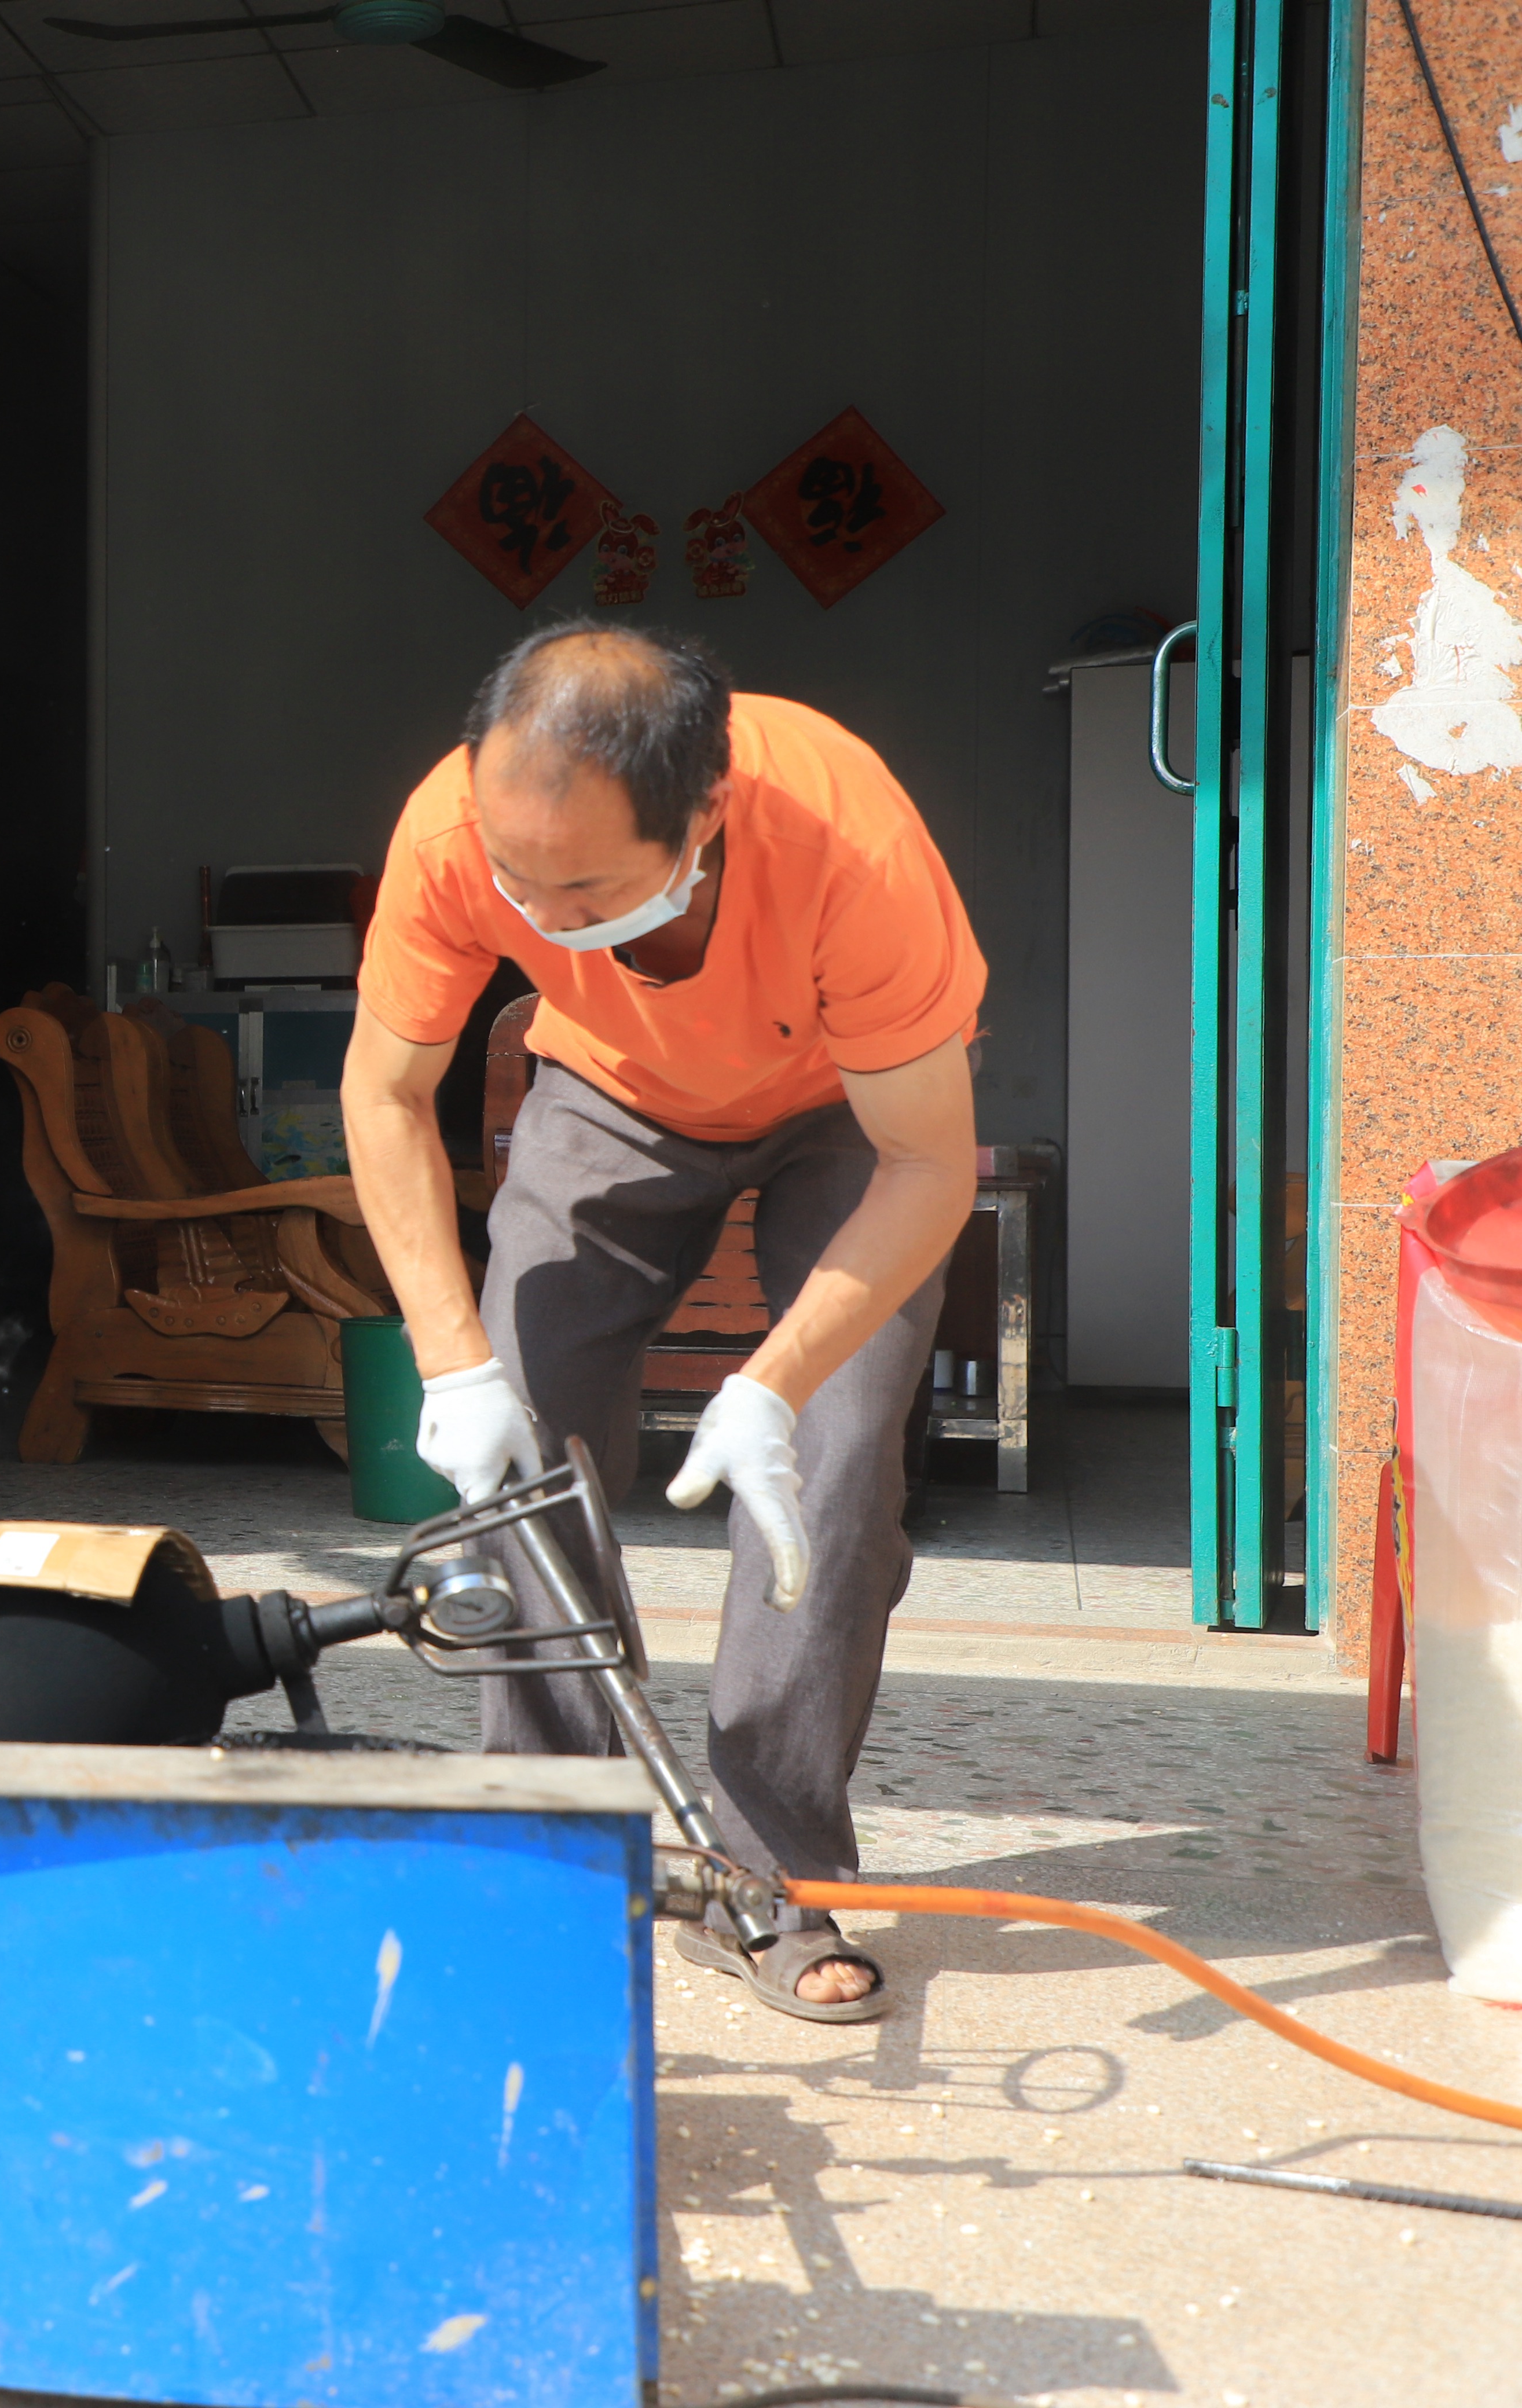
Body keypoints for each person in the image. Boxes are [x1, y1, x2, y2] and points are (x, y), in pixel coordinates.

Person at [340, 623, 980, 2022]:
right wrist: (452, 1363)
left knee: (837, 1456)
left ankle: (771, 1877)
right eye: (516, 879)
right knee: (523, 1419)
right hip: (610, 1090)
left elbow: (932, 1164)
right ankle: (559, 1852)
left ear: (706, 815)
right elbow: (384, 1093)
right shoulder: (452, 831)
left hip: (848, 1110)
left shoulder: (850, 848)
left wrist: (774, 1383)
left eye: (580, 886)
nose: (536, 908)